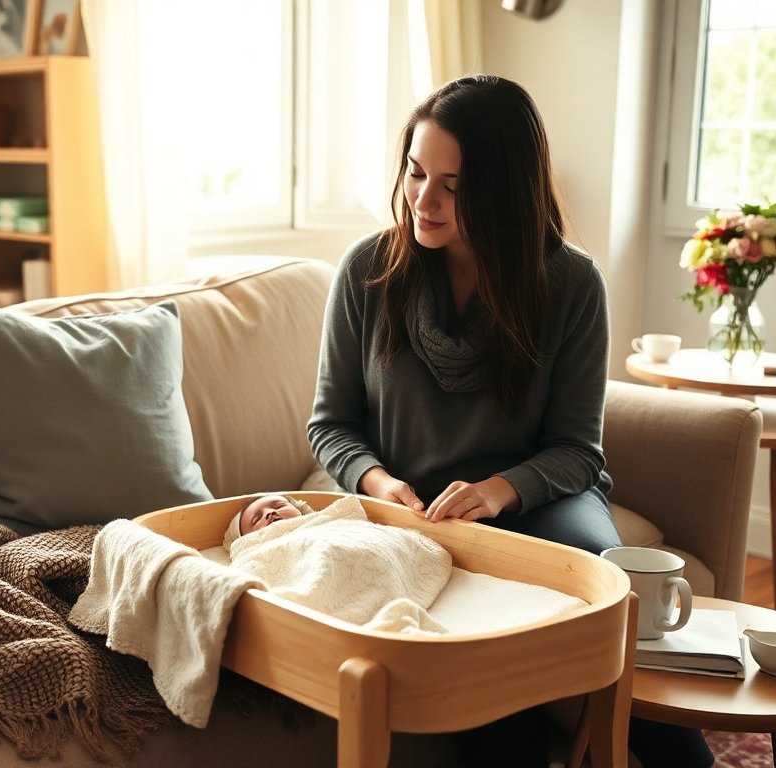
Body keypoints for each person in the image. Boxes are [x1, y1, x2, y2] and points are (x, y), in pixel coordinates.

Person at [305, 75, 713, 768]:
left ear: (501, 191)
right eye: (414, 172)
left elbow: (579, 452)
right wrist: (378, 483)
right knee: (492, 661)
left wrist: (497, 491)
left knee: (600, 586)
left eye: (452, 186)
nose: (423, 200)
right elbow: (331, 424)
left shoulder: (571, 284)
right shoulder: (368, 271)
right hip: (413, 509)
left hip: (535, 499)